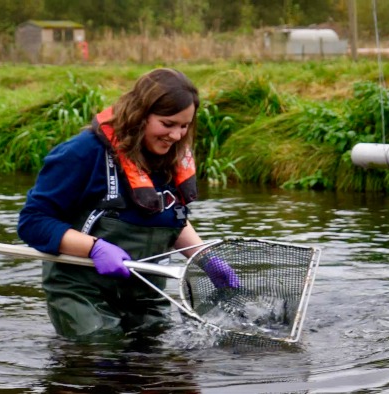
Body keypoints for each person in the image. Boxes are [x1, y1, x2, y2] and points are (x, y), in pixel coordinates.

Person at [18, 68, 239, 338]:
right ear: (139, 115)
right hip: (83, 291)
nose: (177, 136)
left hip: (145, 293)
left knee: (156, 364)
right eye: (167, 124)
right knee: (101, 353)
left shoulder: (169, 155)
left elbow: (169, 218)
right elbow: (33, 222)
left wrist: (204, 258)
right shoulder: (83, 152)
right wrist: (95, 248)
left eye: (184, 126)